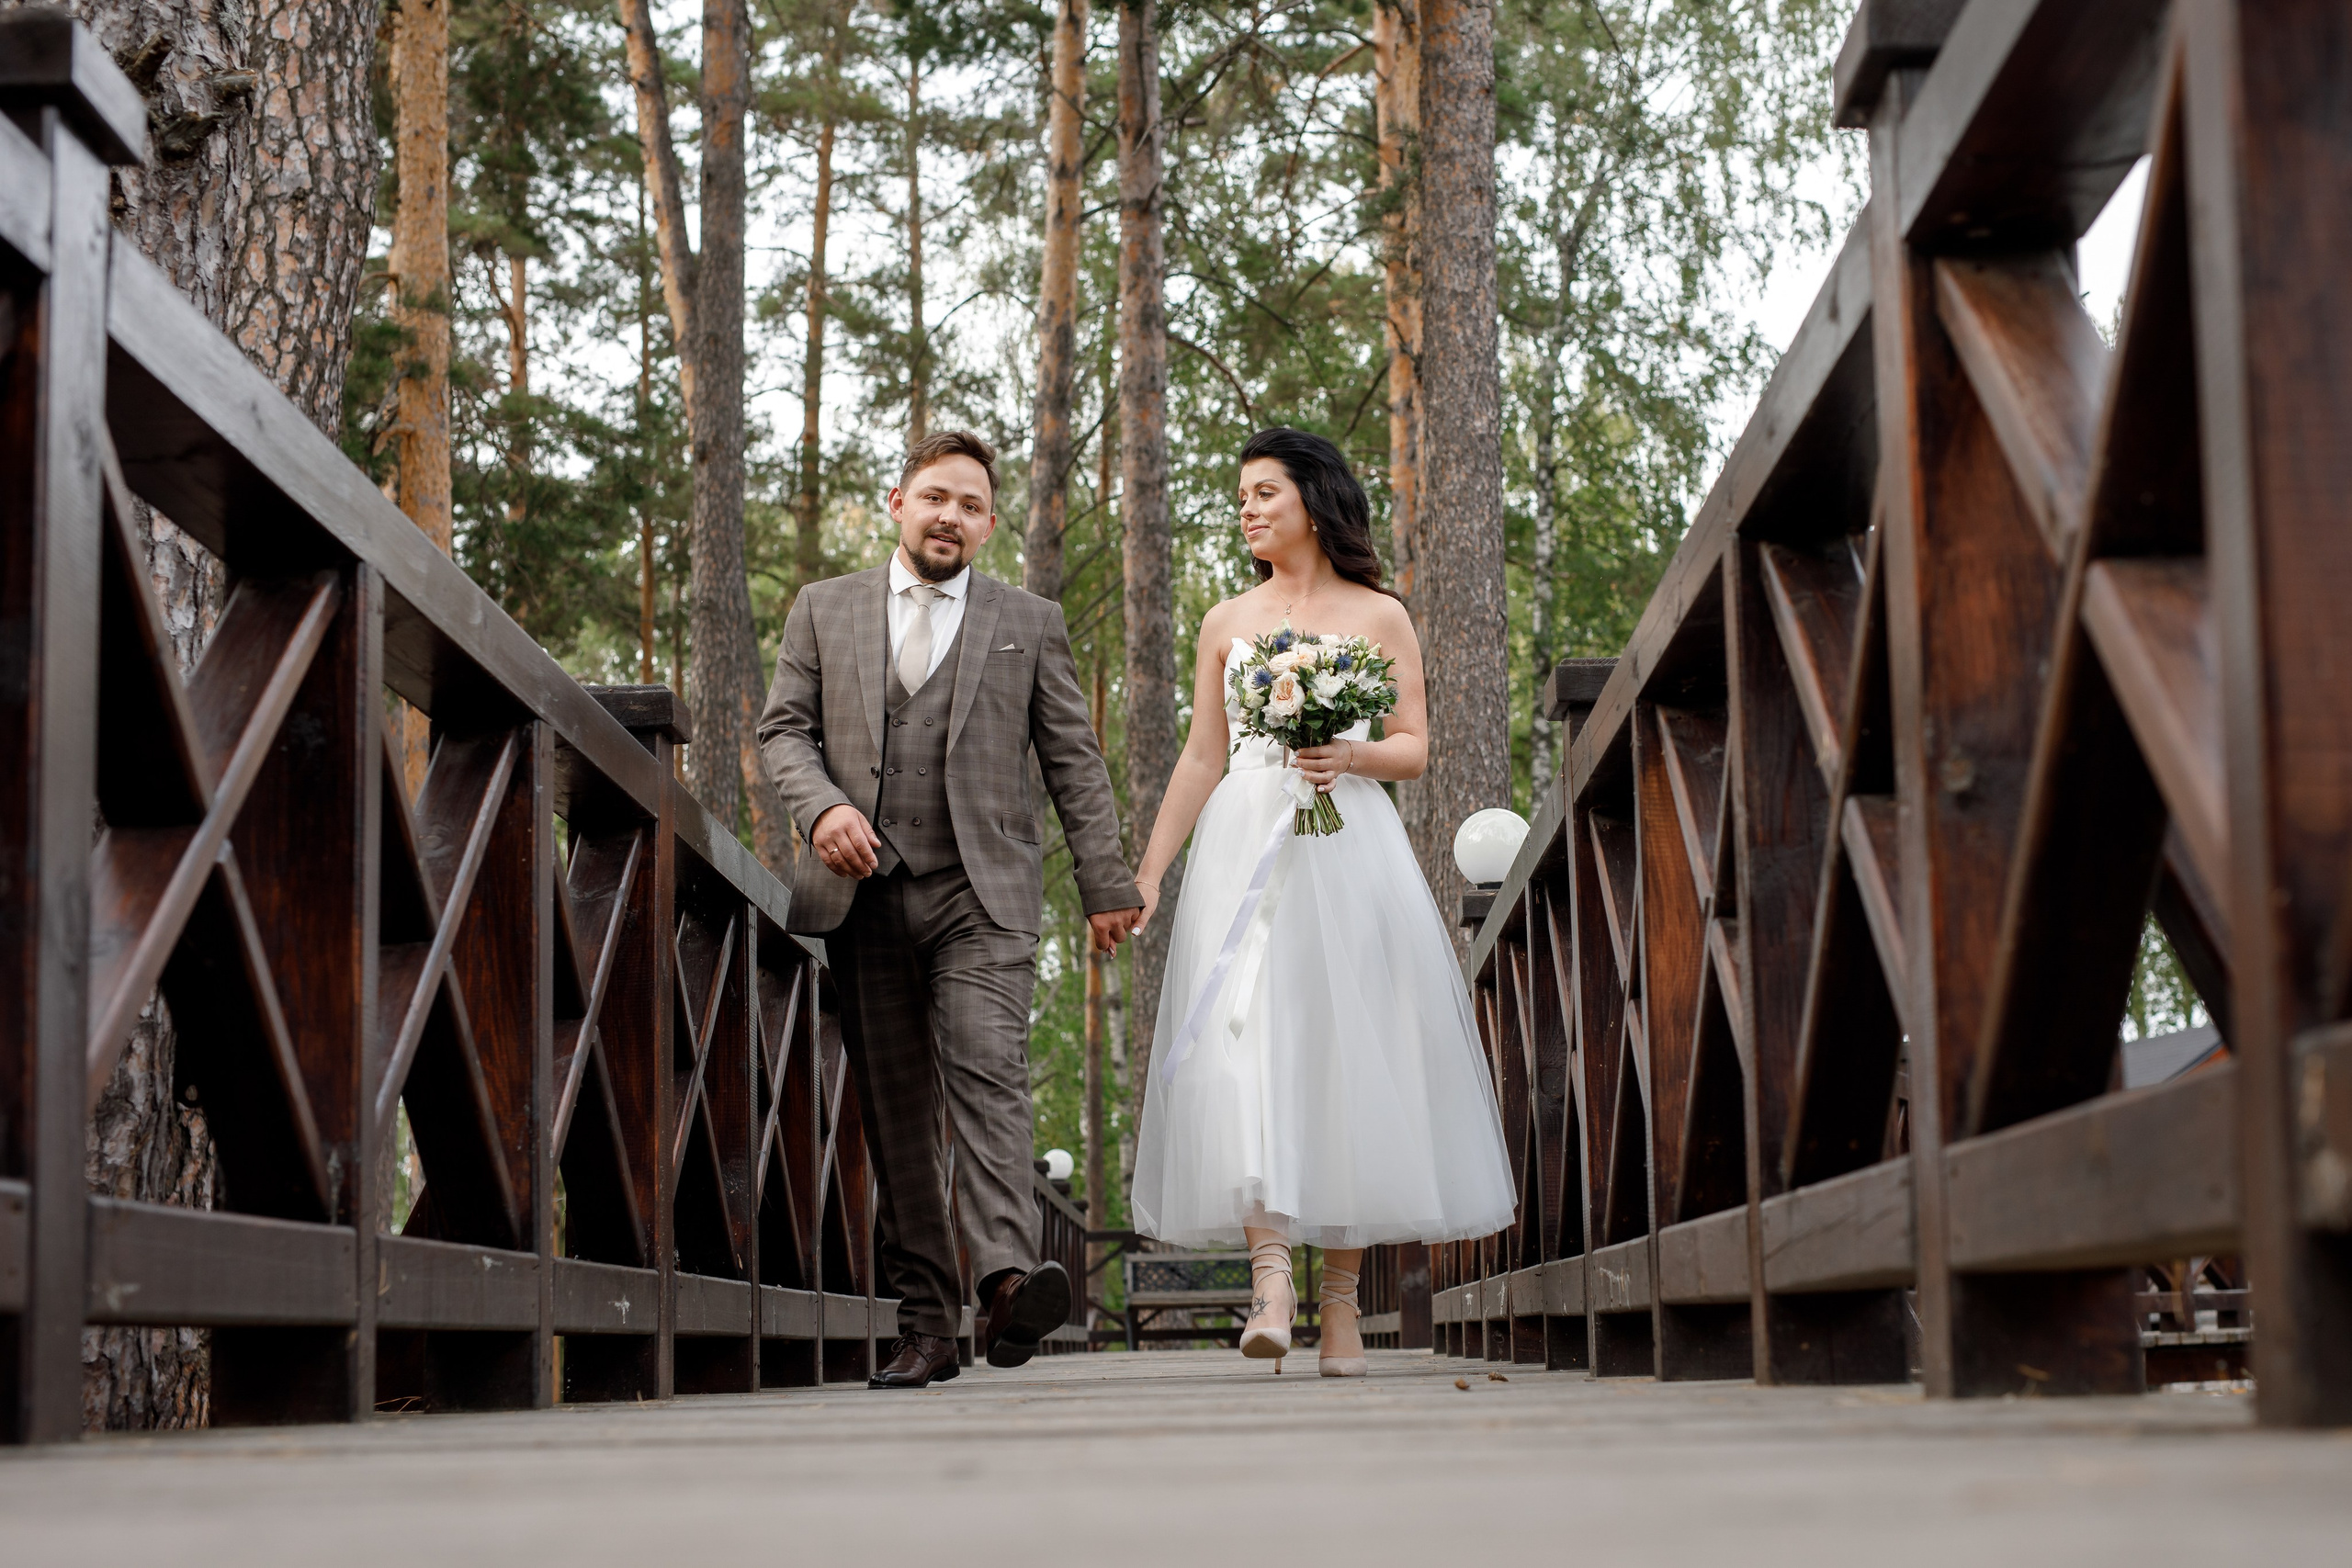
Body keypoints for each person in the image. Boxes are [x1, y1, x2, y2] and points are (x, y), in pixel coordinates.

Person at [758, 430, 1145, 1390]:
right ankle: (926, 1327)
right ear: (897, 501)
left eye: (971, 505)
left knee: (987, 1073)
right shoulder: (824, 609)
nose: (950, 517)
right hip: (864, 896)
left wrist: (1105, 882)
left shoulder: (1029, 620)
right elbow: (783, 732)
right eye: (936, 497)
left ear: (989, 523)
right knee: (897, 1118)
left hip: (984, 895)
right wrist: (824, 809)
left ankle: (1007, 1283)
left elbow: (1073, 762)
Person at [1127, 426, 1515, 1376]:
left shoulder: (1379, 615)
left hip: (1349, 849)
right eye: (1242, 495)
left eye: (1264, 491)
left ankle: (1340, 1306)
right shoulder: (1226, 619)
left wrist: (1349, 754)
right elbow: (1200, 755)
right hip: (1243, 845)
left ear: (1313, 498)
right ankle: (1270, 1279)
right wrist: (1149, 870)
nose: (1248, 509)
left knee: (1348, 1053)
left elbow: (1413, 746)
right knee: (1246, 1044)